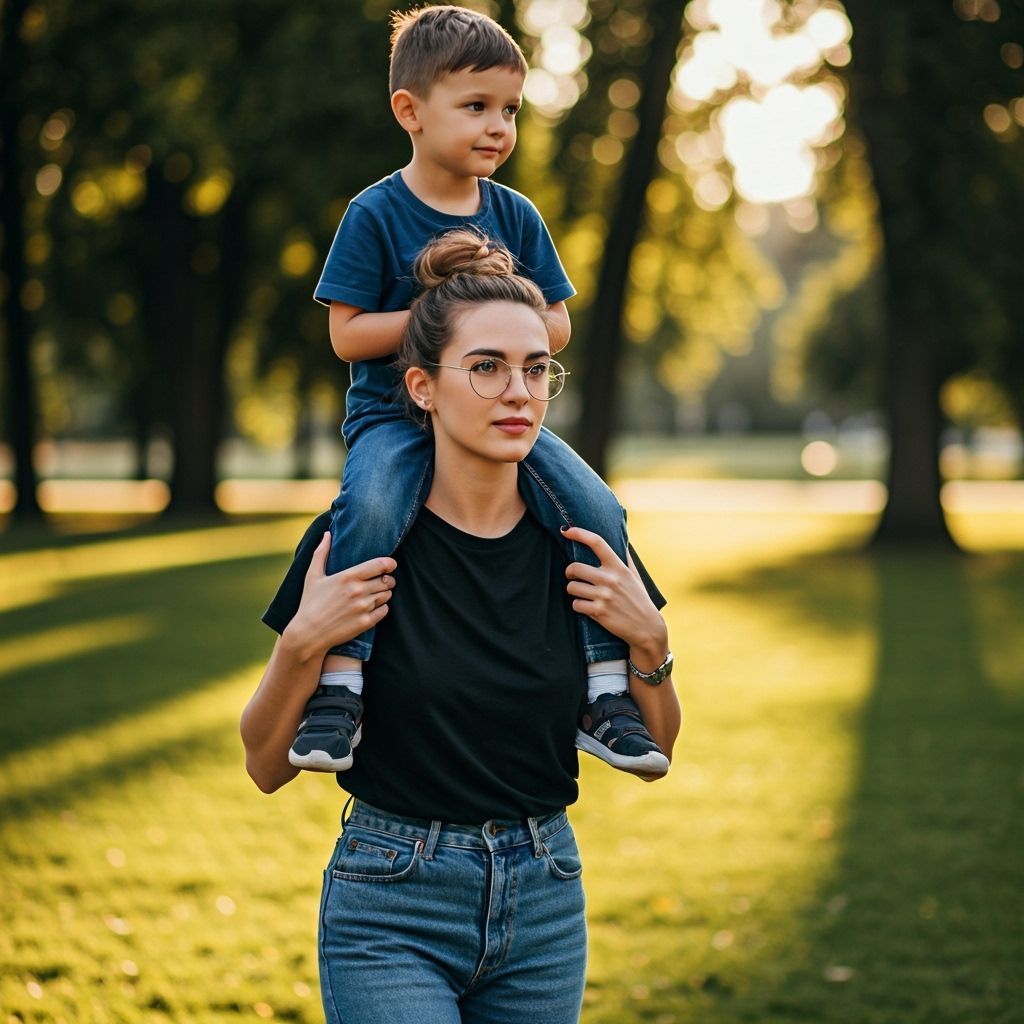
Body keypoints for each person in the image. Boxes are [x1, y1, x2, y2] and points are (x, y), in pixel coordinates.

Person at [241, 231, 681, 1023]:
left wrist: (651, 647)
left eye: (536, 368)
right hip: (390, 903)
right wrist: (306, 642)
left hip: (545, 901)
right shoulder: (355, 542)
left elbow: (664, 745)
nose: (518, 391)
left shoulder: (582, 541)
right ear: (421, 387)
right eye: (485, 367)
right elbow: (266, 764)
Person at [286, 3, 669, 781]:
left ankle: (603, 692)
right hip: (394, 418)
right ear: (410, 112)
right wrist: (444, 315)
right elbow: (348, 335)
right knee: (371, 509)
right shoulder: (376, 212)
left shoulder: (515, 215)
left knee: (597, 508)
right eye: (476, 107)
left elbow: (554, 326)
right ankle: (341, 686)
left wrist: (497, 314)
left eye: (510, 110)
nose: (498, 126)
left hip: (497, 412)